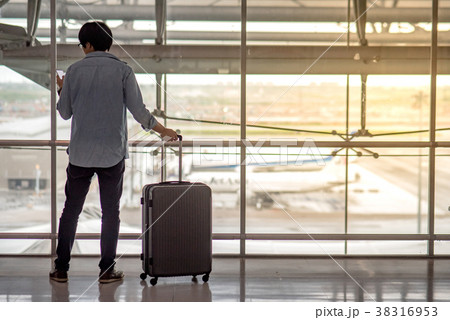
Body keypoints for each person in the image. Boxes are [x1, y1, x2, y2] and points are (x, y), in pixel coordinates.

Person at [49, 21, 178, 283]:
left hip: (81, 156)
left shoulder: (74, 71)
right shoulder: (123, 71)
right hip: (112, 155)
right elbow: (139, 112)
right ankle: (107, 270)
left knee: (71, 210)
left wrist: (62, 88)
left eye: (81, 45)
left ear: (88, 44)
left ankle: (61, 268)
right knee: (111, 213)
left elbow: (64, 113)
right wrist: (164, 130)